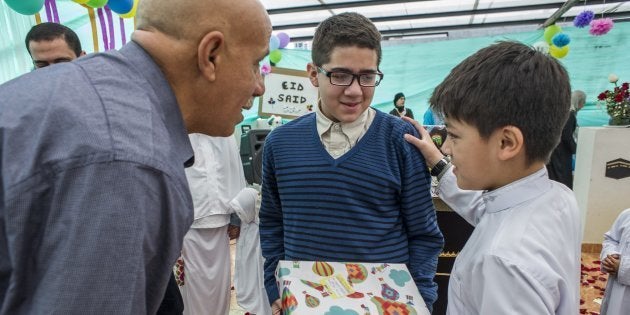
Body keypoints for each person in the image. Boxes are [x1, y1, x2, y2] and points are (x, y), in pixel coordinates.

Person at [0, 0, 271, 313]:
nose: (259, 87)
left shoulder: (94, 91)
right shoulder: (131, 162)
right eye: (255, 64)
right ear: (210, 55)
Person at [259, 12, 444, 314]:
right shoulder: (280, 144)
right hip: (306, 300)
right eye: (340, 75)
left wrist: (420, 297)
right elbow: (272, 222)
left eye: (367, 76)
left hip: (385, 302)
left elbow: (423, 233)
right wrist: (273, 284)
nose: (355, 90)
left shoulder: (401, 140)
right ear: (313, 74)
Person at [403, 41, 581, 314]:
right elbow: (485, 211)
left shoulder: (504, 263)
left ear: (507, 142)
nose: (447, 147)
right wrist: (437, 163)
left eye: (455, 135)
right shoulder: (556, 197)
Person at [179, 122, 258, 314]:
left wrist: (235, 217)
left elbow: (232, 167)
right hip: (185, 222)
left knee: (217, 286)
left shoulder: (221, 123)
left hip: (220, 222)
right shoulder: (177, 123)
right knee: (187, 286)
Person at [546, 90, 585, 189]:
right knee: (562, 178)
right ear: (579, 102)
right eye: (583, 102)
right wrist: (577, 150)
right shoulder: (570, 115)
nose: (583, 105)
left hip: (554, 150)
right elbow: (566, 137)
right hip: (561, 153)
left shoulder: (562, 112)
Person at [600, 208, 630, 315]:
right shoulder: (627, 215)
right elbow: (611, 239)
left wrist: (622, 267)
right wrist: (610, 255)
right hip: (616, 290)